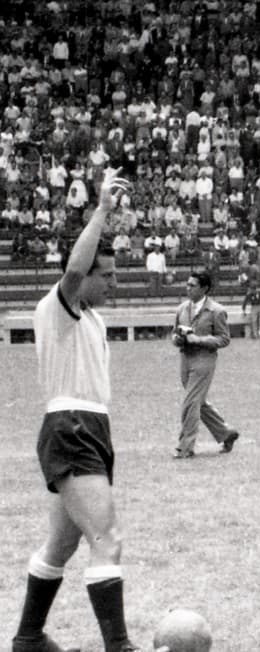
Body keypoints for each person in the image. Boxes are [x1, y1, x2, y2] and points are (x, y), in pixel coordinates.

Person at [11, 169, 140, 652]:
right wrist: (103, 210)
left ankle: (28, 638)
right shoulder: (57, 306)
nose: (113, 281)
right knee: (107, 540)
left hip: (90, 427)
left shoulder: (94, 318)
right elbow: (71, 270)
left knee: (61, 546)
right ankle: (119, 646)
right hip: (72, 425)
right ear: (81, 275)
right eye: (104, 275)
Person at [171, 269, 237, 459]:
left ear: (205, 288)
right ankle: (226, 433)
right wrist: (178, 338)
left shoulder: (216, 311)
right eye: (187, 284)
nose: (188, 288)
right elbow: (174, 332)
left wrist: (198, 339)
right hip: (185, 358)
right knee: (197, 401)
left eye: (192, 285)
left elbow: (224, 339)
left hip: (204, 360)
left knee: (190, 403)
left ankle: (185, 446)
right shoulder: (182, 309)